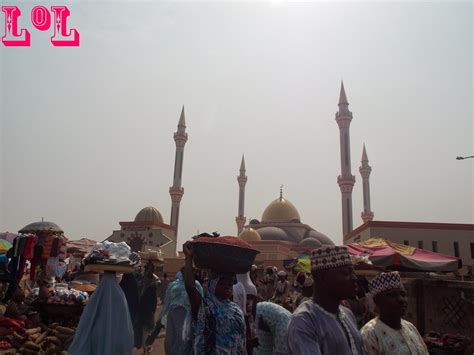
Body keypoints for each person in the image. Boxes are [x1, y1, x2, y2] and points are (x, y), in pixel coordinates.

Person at [287, 246, 366, 355]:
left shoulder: (347, 314)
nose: (354, 278)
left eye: (353, 273)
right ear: (321, 277)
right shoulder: (304, 320)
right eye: (345, 273)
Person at [183, 241, 246, 354]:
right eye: (223, 283)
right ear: (213, 284)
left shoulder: (236, 310)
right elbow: (190, 287)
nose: (228, 286)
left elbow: (241, 342)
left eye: (230, 283)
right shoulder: (205, 307)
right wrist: (188, 258)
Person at [360, 271, 428, 355]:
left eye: (403, 294)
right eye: (392, 295)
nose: (401, 300)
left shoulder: (410, 327)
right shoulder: (370, 334)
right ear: (377, 301)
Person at [146, 269, 204, 355]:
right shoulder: (173, 285)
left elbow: (201, 301)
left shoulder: (196, 285)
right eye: (185, 272)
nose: (187, 274)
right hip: (173, 315)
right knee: (170, 342)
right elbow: (167, 303)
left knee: (185, 340)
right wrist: (161, 318)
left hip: (188, 316)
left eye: (189, 272)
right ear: (182, 273)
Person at [233, 272, 259, 354]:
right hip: (250, 321)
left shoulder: (236, 288)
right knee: (249, 347)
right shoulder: (253, 288)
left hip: (239, 320)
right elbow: (254, 310)